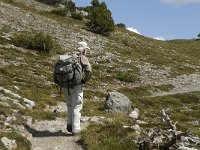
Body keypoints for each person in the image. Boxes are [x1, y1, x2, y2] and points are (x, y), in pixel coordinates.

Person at [63, 41, 92, 135]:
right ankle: (76, 129)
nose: (86, 51)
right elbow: (88, 70)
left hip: (65, 85)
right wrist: (84, 80)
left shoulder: (68, 57)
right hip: (76, 85)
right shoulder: (82, 58)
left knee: (69, 105)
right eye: (86, 49)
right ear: (83, 49)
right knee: (77, 106)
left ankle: (69, 124)